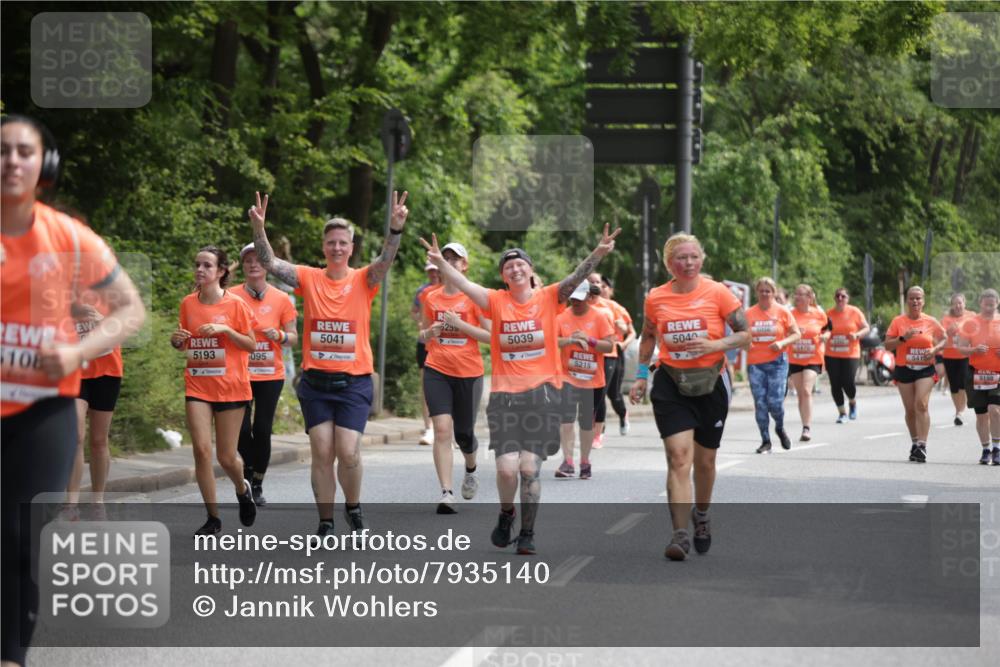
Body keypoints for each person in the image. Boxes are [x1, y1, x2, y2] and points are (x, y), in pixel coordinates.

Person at [2, 114, 146, 667]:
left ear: (45, 166)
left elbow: (130, 310)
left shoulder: (68, 237)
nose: (12, 161)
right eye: (2, 151)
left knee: (20, 537)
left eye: (24, 151)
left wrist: (76, 353)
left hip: (43, 411)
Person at [422, 225, 621, 555]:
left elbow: (575, 278)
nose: (515, 268)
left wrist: (598, 252)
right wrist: (441, 263)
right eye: (508, 266)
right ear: (504, 276)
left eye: (520, 264)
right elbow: (464, 284)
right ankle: (506, 513)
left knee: (528, 468)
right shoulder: (495, 301)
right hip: (506, 398)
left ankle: (527, 533)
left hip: (542, 395)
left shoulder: (550, 297)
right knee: (506, 470)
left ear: (530, 271)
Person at [249, 190, 409, 536]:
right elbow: (269, 262)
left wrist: (395, 229)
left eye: (342, 243)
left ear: (351, 248)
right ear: (324, 247)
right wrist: (259, 229)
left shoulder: (364, 279)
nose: (337, 248)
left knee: (348, 452)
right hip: (316, 383)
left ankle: (353, 507)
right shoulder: (309, 278)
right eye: (331, 243)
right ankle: (325, 521)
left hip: (354, 382)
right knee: (322, 451)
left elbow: (386, 259)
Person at [629, 233, 750, 561]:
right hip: (671, 382)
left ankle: (702, 513)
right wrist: (641, 376)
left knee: (705, 462)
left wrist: (715, 345)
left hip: (711, 382)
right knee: (678, 457)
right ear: (669, 264)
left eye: (694, 256)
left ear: (702, 259)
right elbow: (648, 336)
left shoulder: (718, 292)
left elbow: (745, 334)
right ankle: (679, 534)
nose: (688, 262)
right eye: (681, 258)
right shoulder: (656, 297)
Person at [172, 246, 258, 534]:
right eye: (197, 264)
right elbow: (186, 343)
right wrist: (177, 340)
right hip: (198, 384)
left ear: (221, 271)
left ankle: (242, 489)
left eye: (207, 265)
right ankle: (213, 517)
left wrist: (226, 331)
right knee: (201, 449)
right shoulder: (188, 303)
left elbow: (251, 344)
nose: (199, 269)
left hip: (231, 388)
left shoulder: (236, 305)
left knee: (226, 457)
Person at [418, 242, 489, 513]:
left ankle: (470, 468)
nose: (450, 263)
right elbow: (422, 334)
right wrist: (430, 333)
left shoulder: (475, 297)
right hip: (437, 369)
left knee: (464, 434)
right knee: (442, 430)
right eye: (445, 258)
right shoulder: (430, 297)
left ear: (464, 265)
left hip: (469, 372)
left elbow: (491, 336)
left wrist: (460, 325)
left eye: (455, 259)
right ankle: (446, 492)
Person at [233, 243, 299, 506]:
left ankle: (257, 483)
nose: (253, 264)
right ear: (243, 266)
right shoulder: (230, 296)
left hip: (270, 374)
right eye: (248, 260)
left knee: (262, 429)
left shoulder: (281, 299)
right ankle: (247, 475)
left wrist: (280, 335)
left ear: (267, 266)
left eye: (259, 260)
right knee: (240, 431)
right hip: (238, 373)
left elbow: (293, 337)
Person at [64, 296, 124, 515]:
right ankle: (71, 503)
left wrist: (102, 320)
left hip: (107, 371)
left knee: (99, 440)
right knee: (76, 436)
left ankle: (98, 501)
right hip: (75, 371)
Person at [555, 281, 616, 479]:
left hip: (592, 380)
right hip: (568, 377)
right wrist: (571, 340)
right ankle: (568, 462)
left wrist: (589, 340)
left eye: (580, 298)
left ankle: (585, 461)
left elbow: (609, 346)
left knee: (586, 423)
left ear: (589, 297)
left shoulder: (600, 317)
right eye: (573, 298)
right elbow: (552, 341)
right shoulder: (562, 317)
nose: (576, 302)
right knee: (566, 420)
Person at [885, 286, 946, 463]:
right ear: (907, 301)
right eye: (912, 298)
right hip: (904, 368)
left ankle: (922, 445)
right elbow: (887, 345)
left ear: (923, 301)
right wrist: (903, 338)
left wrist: (934, 349)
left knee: (921, 404)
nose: (915, 301)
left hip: (925, 369)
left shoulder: (931, 321)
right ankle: (914, 442)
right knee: (910, 409)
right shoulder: (898, 321)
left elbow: (945, 338)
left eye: (918, 298)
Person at [745, 277, 801, 453]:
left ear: (774, 293)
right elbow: (741, 335)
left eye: (768, 291)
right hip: (755, 364)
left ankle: (780, 427)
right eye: (761, 290)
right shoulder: (748, 313)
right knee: (760, 404)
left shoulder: (783, 312)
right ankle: (765, 440)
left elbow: (796, 334)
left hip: (777, 363)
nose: (764, 294)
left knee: (775, 403)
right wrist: (745, 343)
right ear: (757, 292)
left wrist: (782, 343)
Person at [955, 289, 1000, 465]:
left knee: (995, 410)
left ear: (997, 304)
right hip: (977, 374)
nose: (989, 308)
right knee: (981, 415)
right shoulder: (970, 324)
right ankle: (985, 449)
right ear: (980, 303)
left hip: (998, 374)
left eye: (992, 305)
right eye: (986, 304)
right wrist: (974, 350)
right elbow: (961, 348)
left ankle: (997, 448)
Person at [594, 274, 636, 437]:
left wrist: (623, 344)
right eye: (595, 283)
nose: (601, 288)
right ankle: (600, 430)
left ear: (610, 290)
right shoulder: (586, 305)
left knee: (613, 394)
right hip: (594, 354)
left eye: (604, 286)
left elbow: (631, 332)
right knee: (598, 392)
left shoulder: (615, 307)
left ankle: (623, 414)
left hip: (613, 354)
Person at [788, 284, 829, 442]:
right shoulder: (790, 314)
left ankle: (807, 428)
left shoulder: (819, 314)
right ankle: (804, 423)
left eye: (801, 294)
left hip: (813, 357)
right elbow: (783, 331)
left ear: (809, 298)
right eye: (796, 294)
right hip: (795, 358)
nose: (797, 297)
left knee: (806, 390)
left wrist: (825, 336)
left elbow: (828, 329)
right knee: (801, 395)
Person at [825, 287, 870, 423]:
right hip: (832, 353)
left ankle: (852, 402)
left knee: (848, 382)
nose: (840, 298)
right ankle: (842, 413)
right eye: (838, 296)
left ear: (847, 298)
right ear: (834, 298)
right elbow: (824, 330)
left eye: (843, 296)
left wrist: (856, 335)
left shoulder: (854, 312)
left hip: (851, 353)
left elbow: (866, 328)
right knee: (835, 384)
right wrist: (825, 335)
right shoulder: (829, 314)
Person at [412, 260, 441, 446]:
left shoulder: (454, 289)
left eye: (436, 270)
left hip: (447, 346)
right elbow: (415, 312)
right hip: (425, 343)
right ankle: (428, 427)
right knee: (426, 386)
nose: (433, 274)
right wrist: (421, 322)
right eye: (430, 271)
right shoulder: (423, 292)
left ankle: (448, 428)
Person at [940, 293, 973, 426]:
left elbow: (978, 331)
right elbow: (941, 336)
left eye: (960, 303)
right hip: (949, 355)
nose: (958, 306)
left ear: (964, 304)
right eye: (955, 303)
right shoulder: (946, 318)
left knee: (963, 383)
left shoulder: (971, 316)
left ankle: (961, 412)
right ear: (952, 306)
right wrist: (948, 332)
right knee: (954, 385)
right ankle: (958, 410)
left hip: (965, 355)